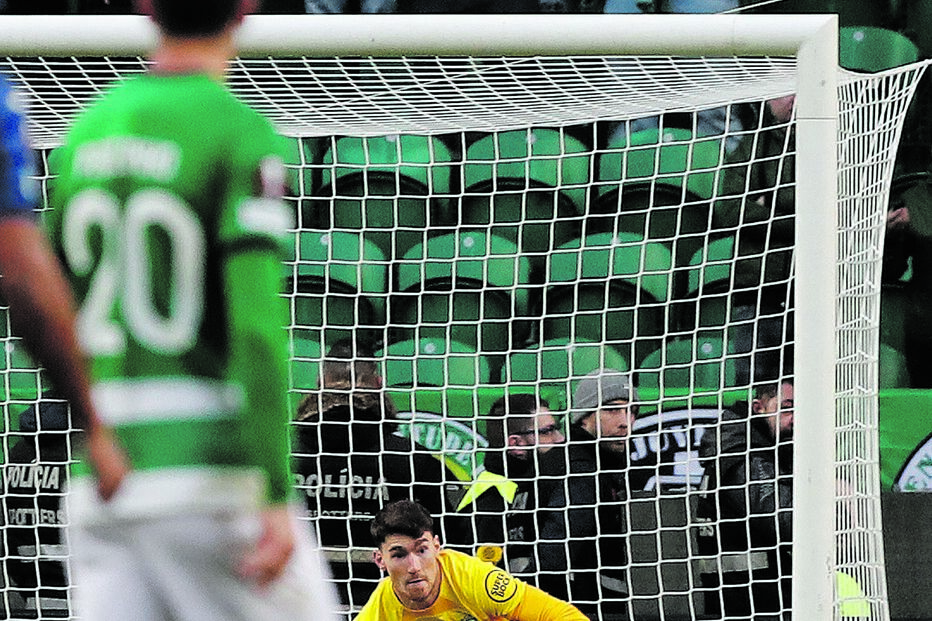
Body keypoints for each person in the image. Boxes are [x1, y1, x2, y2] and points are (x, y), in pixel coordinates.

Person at [45, 1, 338, 620]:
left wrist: (93, 435)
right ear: (247, 5)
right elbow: (256, 331)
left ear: (147, 6)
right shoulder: (238, 131)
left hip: (103, 478)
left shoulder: (84, 135)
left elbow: (49, 305)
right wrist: (275, 491)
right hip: (206, 471)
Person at [293, 338, 466, 616]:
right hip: (391, 607)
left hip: (302, 604)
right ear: (378, 382)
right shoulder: (414, 459)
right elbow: (453, 541)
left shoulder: (286, 457)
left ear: (320, 380)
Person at [356, 499, 590, 621]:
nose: (414, 567)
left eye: (422, 551)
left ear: (437, 547)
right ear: (380, 560)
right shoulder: (381, 608)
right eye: (399, 555)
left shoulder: (475, 578)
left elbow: (565, 616)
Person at [534, 369, 638, 620]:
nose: (625, 421)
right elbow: (555, 556)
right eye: (612, 410)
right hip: (579, 607)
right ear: (584, 417)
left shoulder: (572, 459)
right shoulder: (582, 469)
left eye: (632, 411)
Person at [694, 378, 795, 621]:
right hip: (750, 605)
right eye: (788, 406)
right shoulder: (743, 458)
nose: (795, 417)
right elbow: (785, 519)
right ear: (758, 407)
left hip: (748, 601)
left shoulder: (750, 450)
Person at [472, 393, 565, 578]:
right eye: (547, 431)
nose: (560, 438)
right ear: (516, 444)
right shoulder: (493, 501)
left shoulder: (537, 481)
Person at [2, 399, 71, 618]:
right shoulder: (86, 448)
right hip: (92, 597)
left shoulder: (17, 453)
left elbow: (6, 540)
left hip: (34, 603)